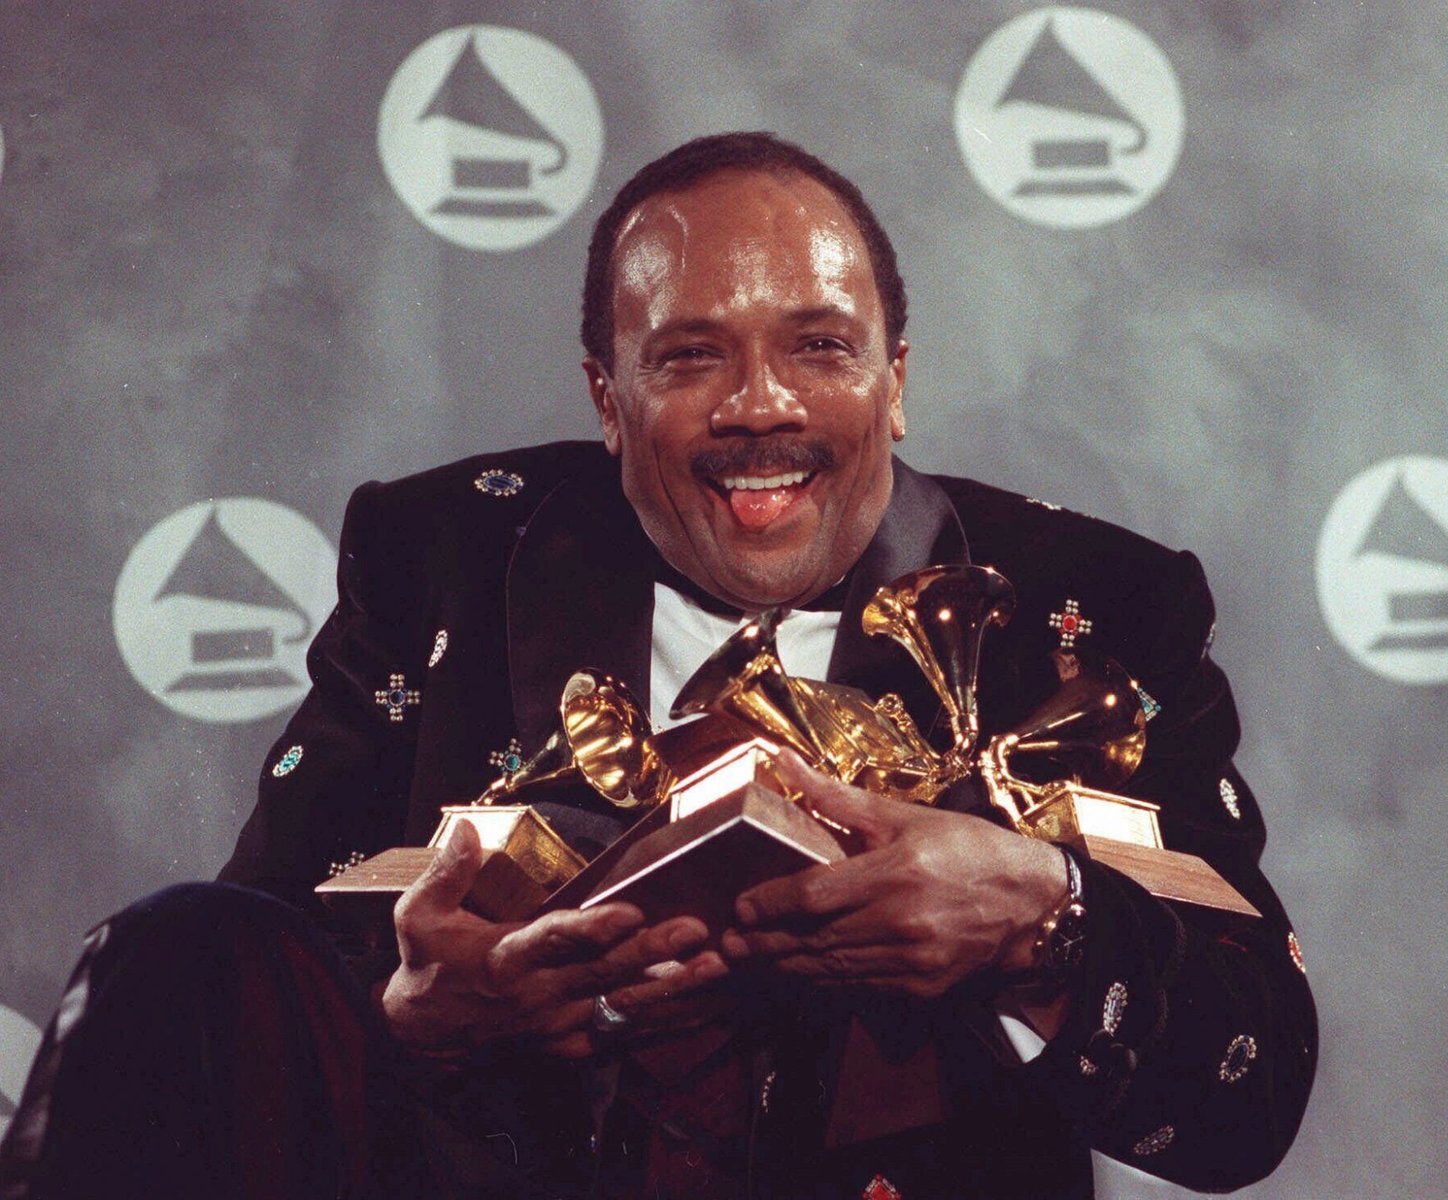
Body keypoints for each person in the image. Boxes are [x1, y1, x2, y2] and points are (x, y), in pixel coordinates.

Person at [0, 132, 1316, 1200]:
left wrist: (1045, 923)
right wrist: (412, 1018)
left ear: (894, 381)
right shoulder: (441, 561)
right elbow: (258, 992)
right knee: (177, 950)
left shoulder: (1089, 612)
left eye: (819, 345)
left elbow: (1248, 1098)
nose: (760, 405)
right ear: (607, 397)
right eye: (691, 356)